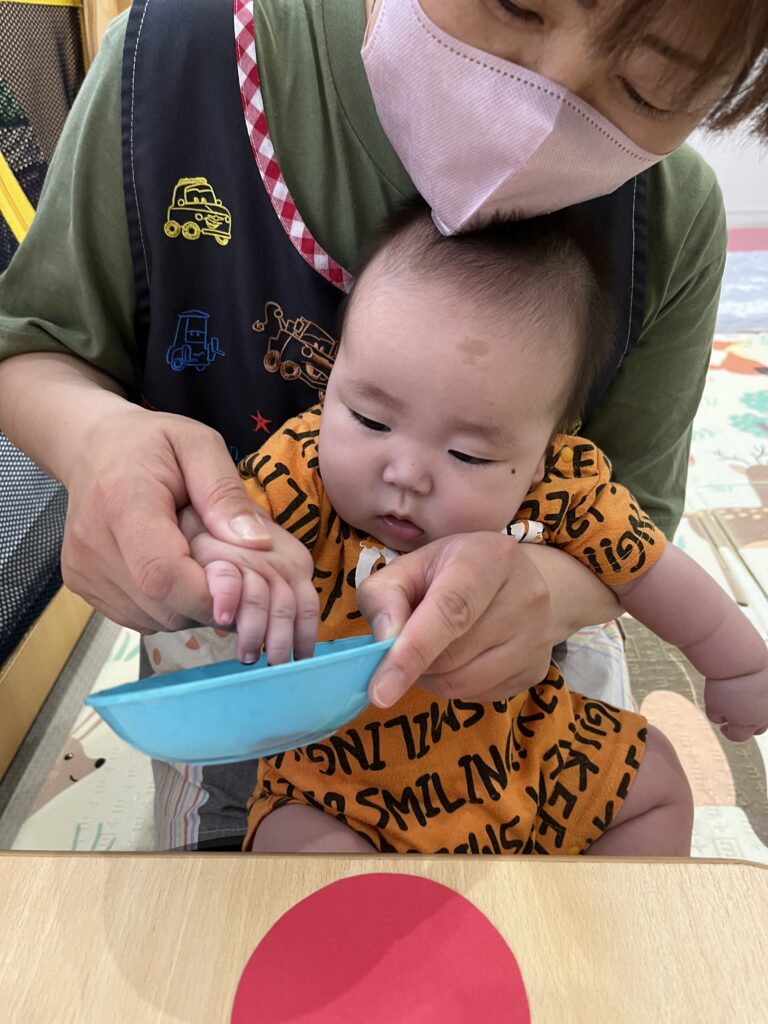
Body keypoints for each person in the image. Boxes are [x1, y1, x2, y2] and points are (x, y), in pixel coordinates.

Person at [0, 0, 767, 850]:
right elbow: (33, 345)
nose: (540, 104)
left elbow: (641, 543)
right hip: (295, 739)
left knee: (656, 785)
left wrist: (564, 599)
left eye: (647, 85)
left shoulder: (664, 233)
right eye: (515, 5)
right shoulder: (174, 59)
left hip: (523, 719)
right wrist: (161, 504)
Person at [181, 207, 767, 856]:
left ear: (544, 450)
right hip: (338, 785)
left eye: (469, 455)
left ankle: (583, 945)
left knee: (657, 778)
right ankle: (401, 949)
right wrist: (232, 556)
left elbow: (650, 566)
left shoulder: (561, 489)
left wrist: (738, 661)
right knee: (286, 843)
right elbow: (210, 521)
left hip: (533, 759)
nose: (405, 474)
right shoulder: (299, 471)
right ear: (332, 385)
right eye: (371, 419)